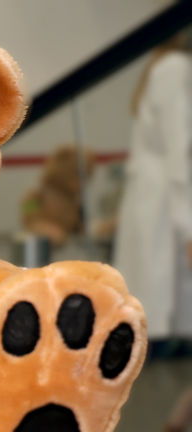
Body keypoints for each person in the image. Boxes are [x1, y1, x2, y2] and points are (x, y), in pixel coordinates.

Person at [113, 33, 192, 352]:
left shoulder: (163, 66)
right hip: (166, 193)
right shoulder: (175, 68)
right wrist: (189, 226)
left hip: (156, 191)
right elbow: (180, 147)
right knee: (161, 291)